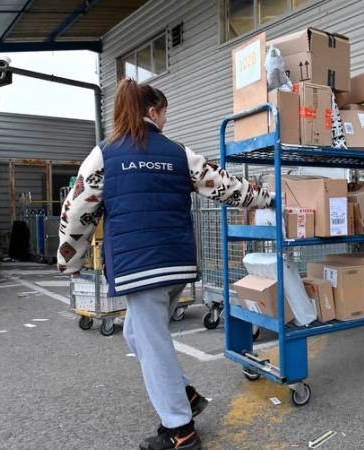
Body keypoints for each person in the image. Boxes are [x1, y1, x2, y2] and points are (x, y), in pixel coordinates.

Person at [57, 79, 271, 450]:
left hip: (139, 267)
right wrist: (265, 198)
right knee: (137, 335)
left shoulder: (105, 154)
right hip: (177, 264)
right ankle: (184, 395)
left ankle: (180, 430)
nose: (166, 120)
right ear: (153, 111)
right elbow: (226, 186)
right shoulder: (179, 153)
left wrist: (71, 260)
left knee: (151, 343)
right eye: (165, 112)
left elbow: (77, 211)